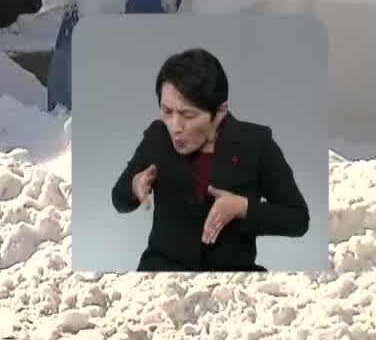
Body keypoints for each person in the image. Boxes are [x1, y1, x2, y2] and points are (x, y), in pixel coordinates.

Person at [111, 47, 310, 271]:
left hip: (231, 282)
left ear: (221, 111)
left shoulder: (256, 143)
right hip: (163, 277)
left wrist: (242, 207)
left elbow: (298, 219)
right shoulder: (158, 137)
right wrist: (135, 184)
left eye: (188, 115)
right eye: (167, 111)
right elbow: (118, 199)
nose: (175, 127)